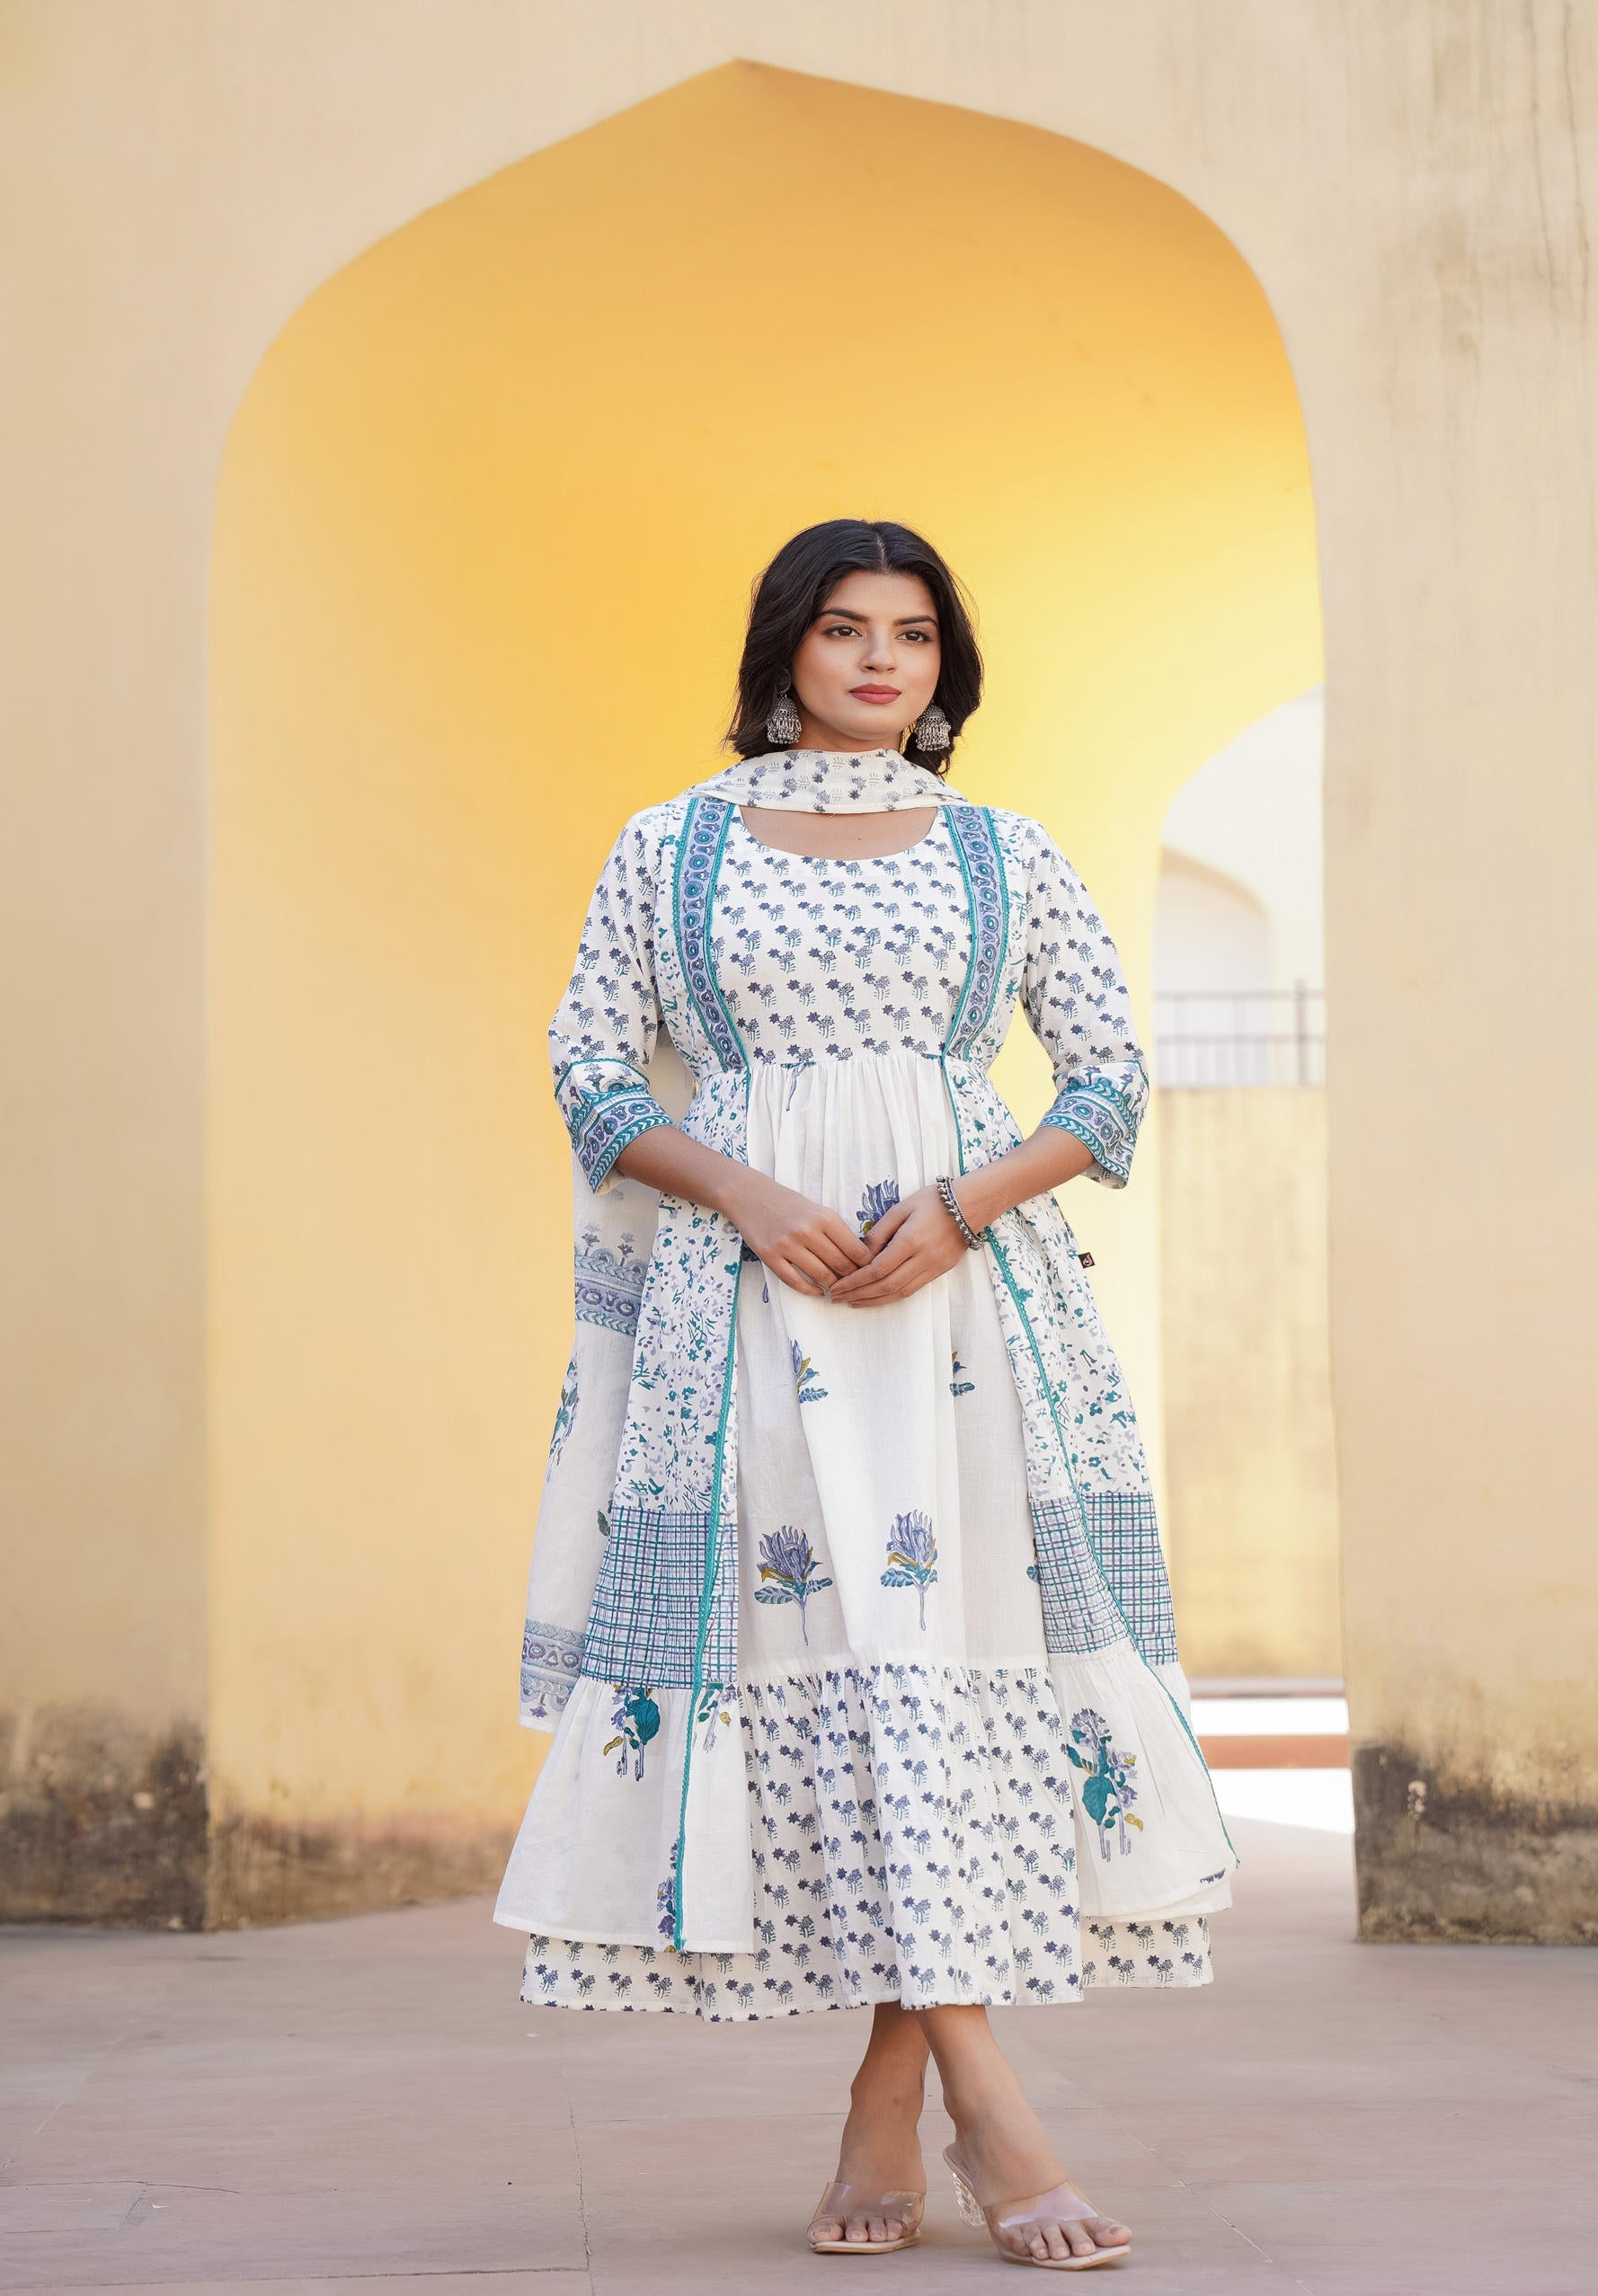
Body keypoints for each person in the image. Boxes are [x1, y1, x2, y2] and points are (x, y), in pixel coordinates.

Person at [494, 519, 1236, 2270]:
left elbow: (1109, 1080)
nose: (882, 660)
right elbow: (589, 1067)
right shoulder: (669, 846)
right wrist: (744, 1197)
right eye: (845, 630)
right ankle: (986, 2110)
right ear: (785, 652)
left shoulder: (1006, 853)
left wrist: (965, 1207)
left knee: (935, 1679)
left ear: (945, 669)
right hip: (750, 1311)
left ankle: (892, 2106)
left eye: (913, 634)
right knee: (828, 1672)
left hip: (968, 1323)